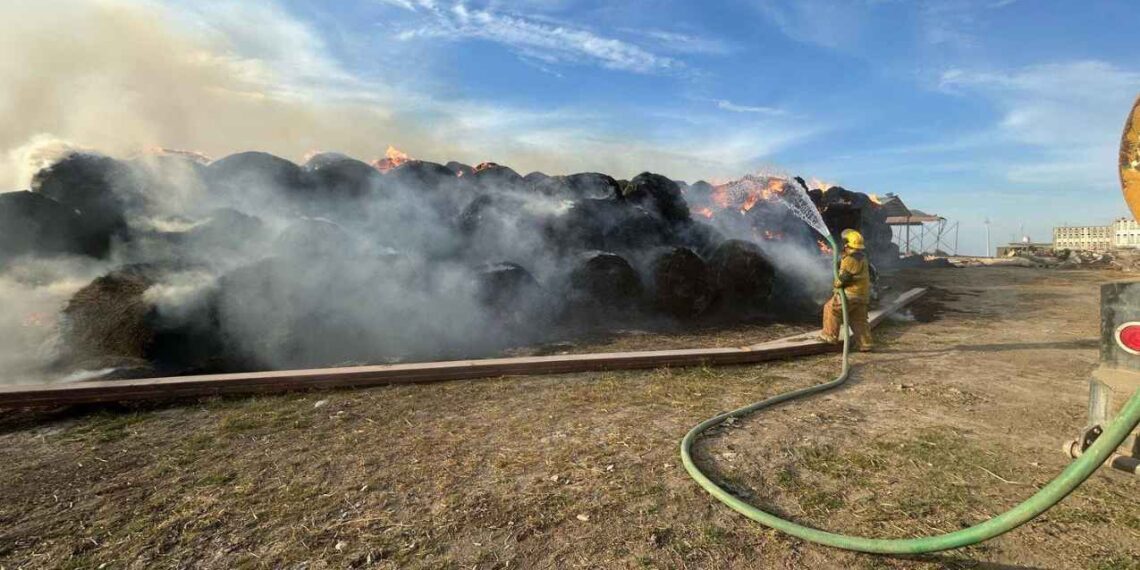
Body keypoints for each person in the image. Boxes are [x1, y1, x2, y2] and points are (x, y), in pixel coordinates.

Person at [820, 229, 874, 351]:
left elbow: (844, 277)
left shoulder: (851, 258)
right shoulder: (862, 257)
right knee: (858, 319)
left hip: (850, 293)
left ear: (846, 244)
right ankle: (865, 344)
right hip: (862, 295)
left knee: (831, 308)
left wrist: (837, 283)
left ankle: (830, 336)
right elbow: (844, 262)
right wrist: (831, 253)